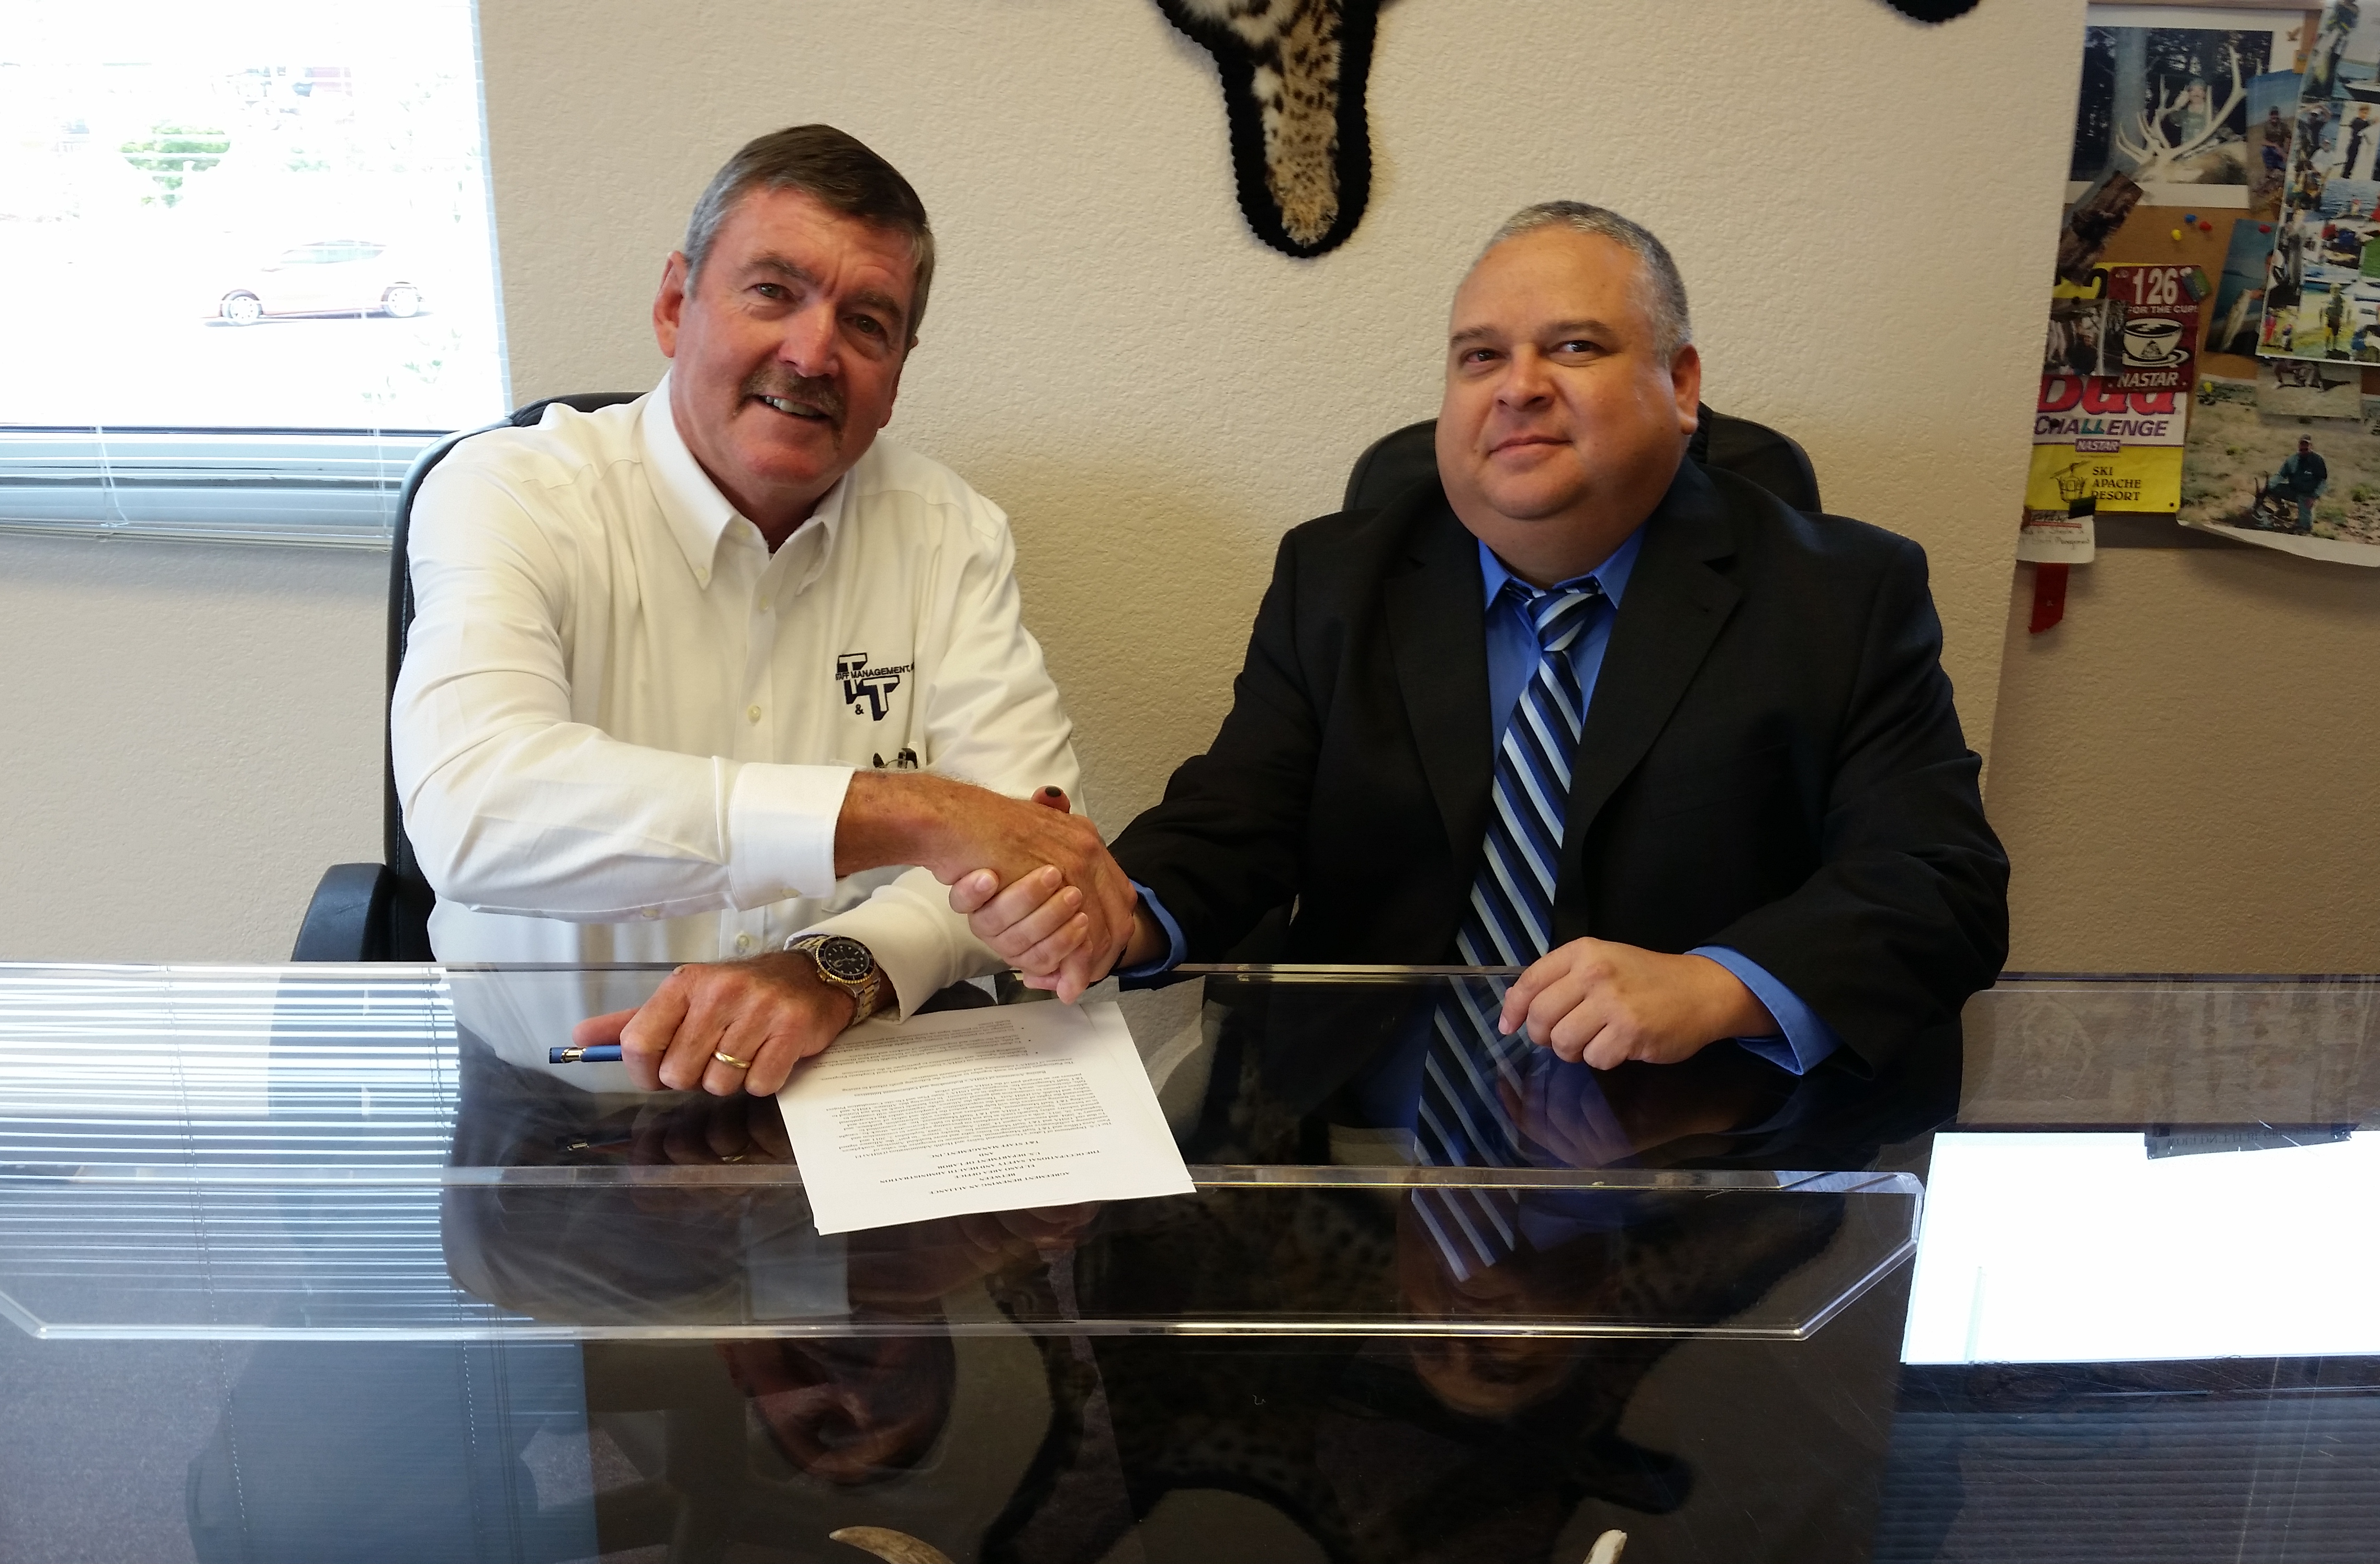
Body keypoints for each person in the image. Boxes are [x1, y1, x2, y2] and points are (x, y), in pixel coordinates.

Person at [960, 202, 2007, 1130]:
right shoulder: (1336, 577)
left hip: (1687, 1158)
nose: (1519, 390)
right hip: (1356, 1157)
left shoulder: (1839, 595)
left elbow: (1939, 886)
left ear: (1680, 386)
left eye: (1575, 347)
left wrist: (1715, 985)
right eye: (1478, 357)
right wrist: (1123, 909)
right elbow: (1238, 817)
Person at [392, 126, 1135, 1099]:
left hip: (851, 1098)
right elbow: (476, 808)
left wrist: (837, 965)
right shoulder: (509, 490)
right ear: (674, 303)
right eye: (773, 291)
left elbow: (1030, 855)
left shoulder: (949, 530)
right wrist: (917, 814)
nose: (813, 351)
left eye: (867, 322)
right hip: (551, 1099)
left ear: (899, 373)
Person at [2272, 437, 2329, 532]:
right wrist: (2269, 485)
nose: (2303, 451)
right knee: (2273, 489)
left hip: (2307, 496)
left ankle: (2303, 524)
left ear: (2311, 447)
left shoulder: (2318, 460)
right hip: (2293, 490)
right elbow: (2281, 475)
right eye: (2301, 449)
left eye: (2306, 449)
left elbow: (2323, 481)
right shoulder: (2292, 460)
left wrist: (2314, 497)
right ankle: (2283, 510)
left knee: (2306, 527)